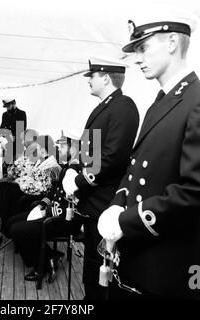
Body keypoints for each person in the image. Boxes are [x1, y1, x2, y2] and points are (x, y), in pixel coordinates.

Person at [97, 13, 200, 300]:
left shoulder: (196, 102)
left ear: (171, 43)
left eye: (143, 48)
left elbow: (194, 193)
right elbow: (135, 169)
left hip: (165, 265)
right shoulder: (159, 102)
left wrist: (126, 221)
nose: (137, 58)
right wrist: (117, 205)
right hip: (136, 255)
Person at [62, 59, 139, 300]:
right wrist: (74, 168)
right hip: (92, 200)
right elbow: (90, 153)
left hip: (104, 200)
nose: (89, 79)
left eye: (92, 75)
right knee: (93, 259)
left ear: (106, 78)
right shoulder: (104, 108)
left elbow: (112, 157)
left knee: (102, 261)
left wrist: (80, 182)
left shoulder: (123, 107)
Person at [8, 130, 82, 283]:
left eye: (62, 146)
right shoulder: (67, 166)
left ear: (73, 148)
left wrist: (46, 211)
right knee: (11, 222)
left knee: (17, 229)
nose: (59, 150)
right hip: (53, 212)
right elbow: (55, 192)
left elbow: (73, 204)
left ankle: (41, 263)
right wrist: (42, 204)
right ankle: (51, 256)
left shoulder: (76, 170)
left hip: (62, 220)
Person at [0, 134, 58, 248]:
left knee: (8, 190)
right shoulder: (39, 160)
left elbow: (41, 187)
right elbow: (28, 176)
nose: (39, 150)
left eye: (42, 147)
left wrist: (21, 182)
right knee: (1, 189)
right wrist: (21, 177)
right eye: (38, 147)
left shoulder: (51, 165)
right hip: (28, 191)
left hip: (37, 198)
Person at [0, 98, 27, 175]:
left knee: (17, 168)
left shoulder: (21, 114)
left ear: (14, 104)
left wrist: (12, 136)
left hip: (17, 145)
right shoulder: (4, 115)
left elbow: (21, 129)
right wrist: (3, 137)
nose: (7, 108)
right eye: (6, 107)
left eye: (8, 106)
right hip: (7, 145)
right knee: (6, 167)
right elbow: (2, 128)